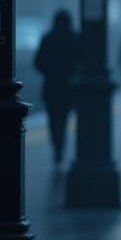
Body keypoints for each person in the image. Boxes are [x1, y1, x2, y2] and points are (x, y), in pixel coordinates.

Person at [33, 10, 81, 164]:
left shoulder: (47, 39)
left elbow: (37, 63)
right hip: (69, 88)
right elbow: (82, 61)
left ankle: (57, 146)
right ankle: (61, 146)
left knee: (53, 120)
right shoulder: (75, 38)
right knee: (63, 119)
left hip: (51, 87)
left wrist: (49, 71)